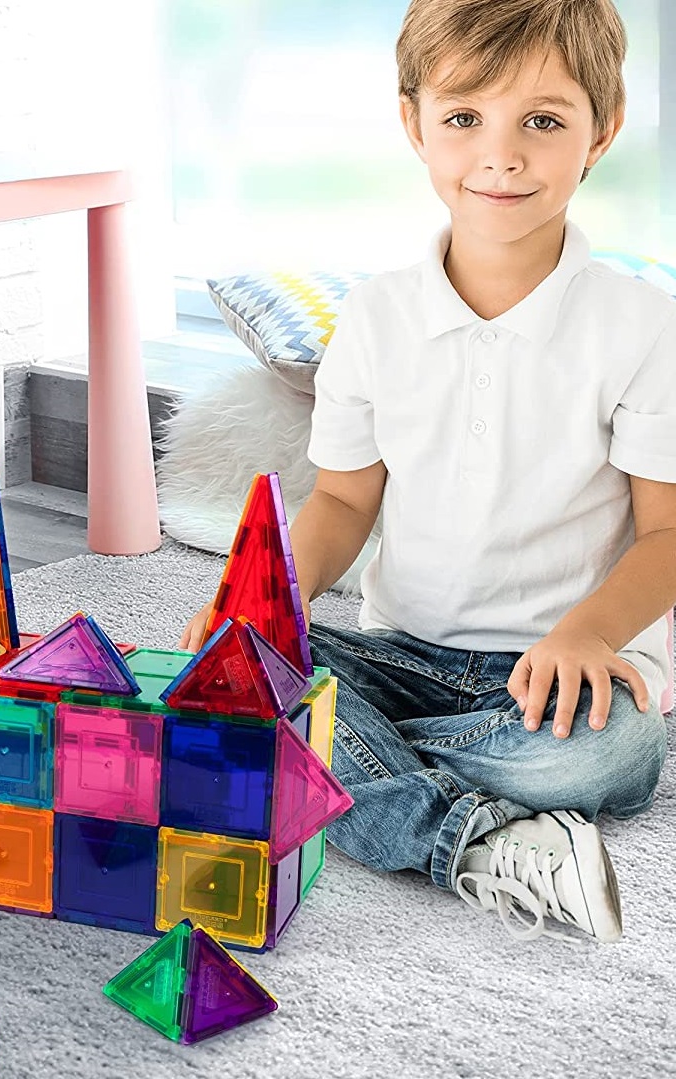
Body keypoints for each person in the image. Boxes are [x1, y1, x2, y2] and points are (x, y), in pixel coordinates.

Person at [180, 0, 676, 944]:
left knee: (610, 752)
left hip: (563, 682)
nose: (501, 155)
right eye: (463, 118)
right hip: (402, 653)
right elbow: (341, 499)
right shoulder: (376, 316)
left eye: (542, 120)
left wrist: (584, 634)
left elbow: (666, 532)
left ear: (602, 130)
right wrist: (257, 602)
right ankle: (481, 838)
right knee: (241, 668)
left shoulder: (644, 325)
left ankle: (332, 764)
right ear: (414, 124)